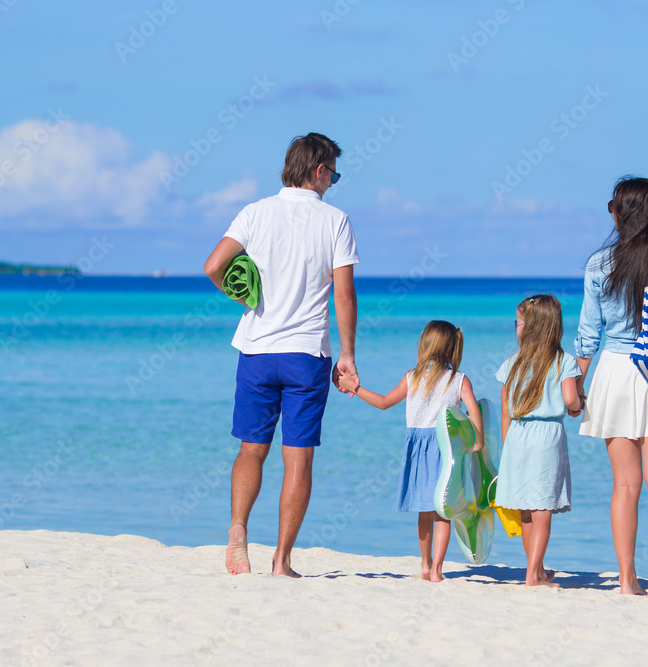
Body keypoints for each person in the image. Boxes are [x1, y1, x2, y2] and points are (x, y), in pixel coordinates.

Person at [203, 132, 360, 578]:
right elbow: (344, 296)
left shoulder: (254, 213)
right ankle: (282, 561)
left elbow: (214, 266)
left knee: (251, 449)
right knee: (299, 457)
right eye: (333, 172)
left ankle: (238, 532)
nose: (333, 181)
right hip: (306, 354)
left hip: (256, 349)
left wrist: (242, 295)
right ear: (317, 170)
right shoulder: (335, 220)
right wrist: (347, 353)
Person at [574, 176, 648, 598]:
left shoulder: (598, 264)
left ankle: (627, 580)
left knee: (625, 485)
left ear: (619, 214)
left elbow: (589, 333)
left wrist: (577, 380)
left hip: (614, 371)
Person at [337, 321, 483, 582]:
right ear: (452, 348)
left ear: (425, 345)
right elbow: (474, 411)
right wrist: (478, 442)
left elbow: (383, 403)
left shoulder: (411, 376)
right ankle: (437, 570)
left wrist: (354, 388)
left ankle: (426, 566)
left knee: (424, 512)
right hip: (446, 449)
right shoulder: (458, 379)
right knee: (443, 512)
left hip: (418, 451)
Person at [495, 295, 582, 588]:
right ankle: (534, 575)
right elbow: (570, 398)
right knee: (543, 509)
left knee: (526, 511)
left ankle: (537, 569)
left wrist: (507, 446)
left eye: (517, 323)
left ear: (530, 327)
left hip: (517, 436)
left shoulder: (513, 362)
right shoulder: (563, 361)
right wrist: (576, 405)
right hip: (546, 437)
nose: (514, 328)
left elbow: (506, 410)